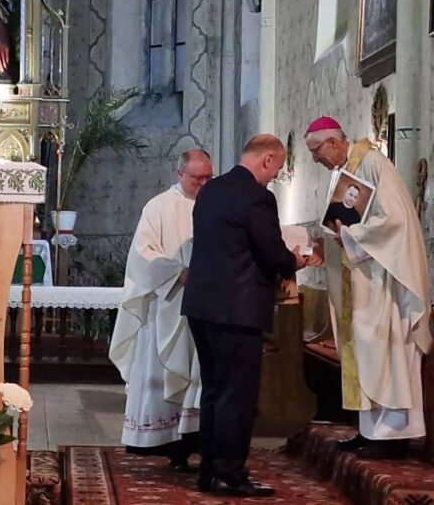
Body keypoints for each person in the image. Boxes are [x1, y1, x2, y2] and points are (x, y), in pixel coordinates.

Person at [181, 134, 311, 497]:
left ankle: (210, 469)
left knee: (214, 391)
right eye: (277, 168)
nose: (275, 176)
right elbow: (271, 251)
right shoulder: (257, 196)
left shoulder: (210, 191)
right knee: (237, 396)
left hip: (202, 306)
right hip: (237, 310)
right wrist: (293, 261)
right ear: (267, 160)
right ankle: (229, 473)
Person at [304, 116, 431, 459]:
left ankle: (394, 436)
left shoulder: (373, 163)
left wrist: (349, 235)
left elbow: (394, 220)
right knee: (367, 355)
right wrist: (327, 240)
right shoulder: (347, 171)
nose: (315, 159)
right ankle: (370, 431)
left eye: (316, 151)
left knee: (386, 354)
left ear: (333, 142)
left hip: (383, 281)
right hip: (362, 279)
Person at [110, 149, 213, 471]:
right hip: (166, 303)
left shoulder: (215, 205)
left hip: (205, 306)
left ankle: (197, 443)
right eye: (197, 178)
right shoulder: (158, 207)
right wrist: (178, 273)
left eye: (208, 178)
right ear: (180, 174)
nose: (204, 184)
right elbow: (142, 254)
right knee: (165, 374)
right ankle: (170, 446)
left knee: (199, 376)